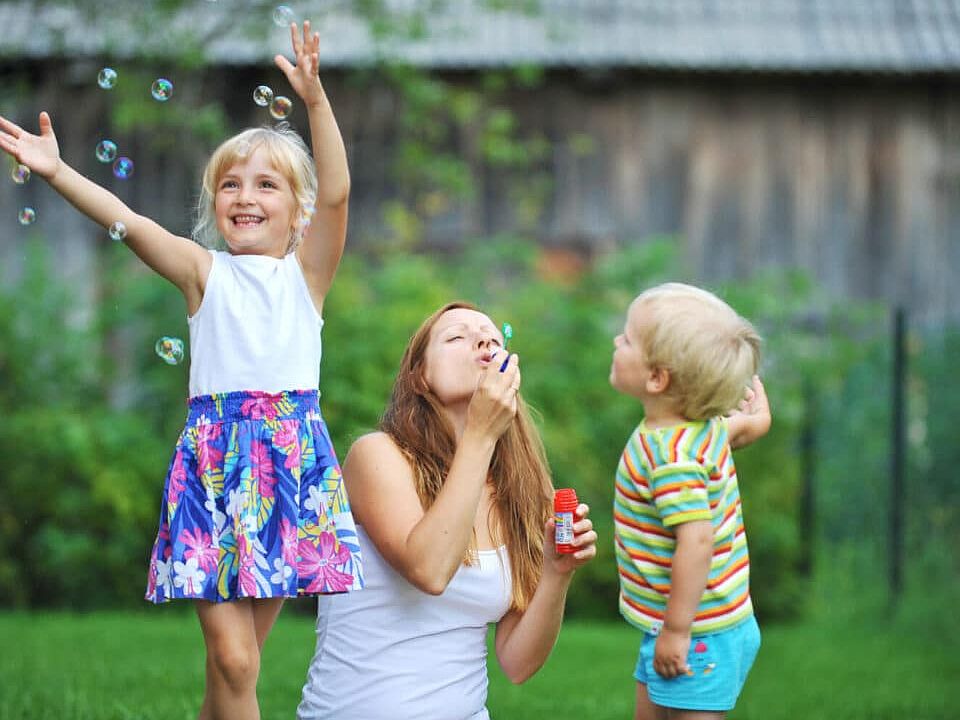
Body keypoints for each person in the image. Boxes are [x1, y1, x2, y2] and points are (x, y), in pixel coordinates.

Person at [0, 21, 363, 719]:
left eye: (266, 185)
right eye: (229, 184)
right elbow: (128, 221)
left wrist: (316, 101)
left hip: (288, 468)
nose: (244, 196)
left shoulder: (306, 277)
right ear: (215, 202)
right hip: (215, 465)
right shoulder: (204, 273)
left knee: (237, 671)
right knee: (233, 659)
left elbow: (342, 194)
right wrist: (58, 171)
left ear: (299, 212)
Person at [297, 301, 599, 720]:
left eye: (493, 338)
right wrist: (480, 434)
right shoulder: (377, 457)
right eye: (456, 337)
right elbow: (430, 570)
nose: (482, 341)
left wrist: (556, 575)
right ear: (420, 377)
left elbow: (518, 663)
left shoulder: (520, 489)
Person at [608, 282, 772, 720]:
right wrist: (760, 419)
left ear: (657, 377)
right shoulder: (705, 429)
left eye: (626, 339)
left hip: (697, 630)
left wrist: (677, 632)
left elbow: (697, 542)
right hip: (681, 621)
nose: (616, 342)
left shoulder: (672, 458)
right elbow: (742, 430)